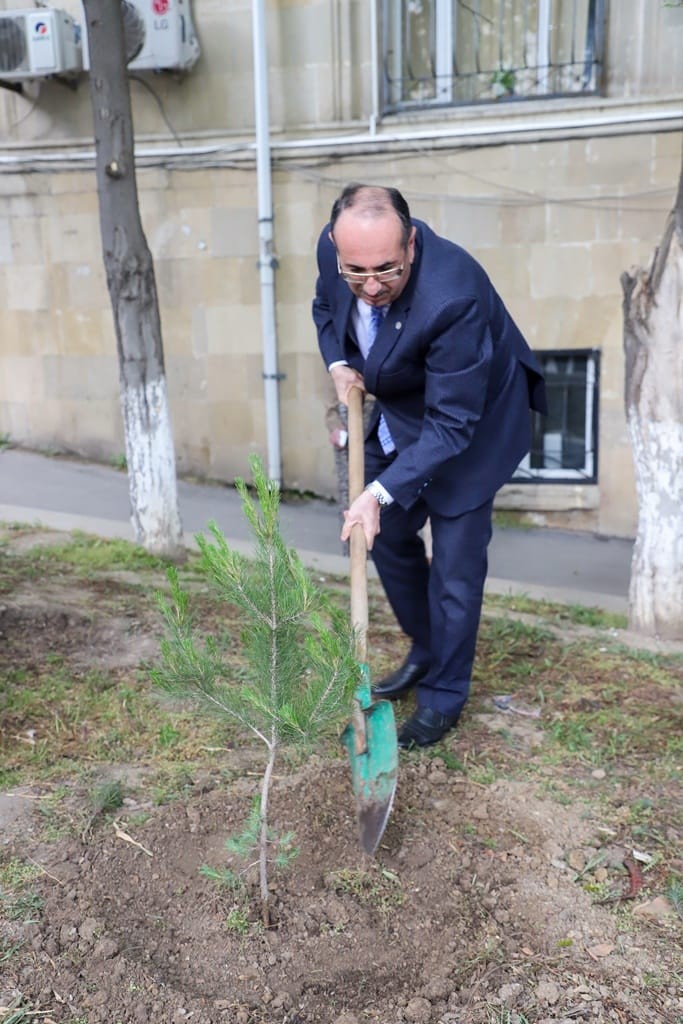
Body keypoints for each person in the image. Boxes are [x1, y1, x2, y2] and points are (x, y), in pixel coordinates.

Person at [312, 183, 546, 749]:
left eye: (386, 271)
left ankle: (444, 694)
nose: (370, 287)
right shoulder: (337, 251)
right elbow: (325, 306)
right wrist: (340, 363)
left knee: (455, 573)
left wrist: (377, 490)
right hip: (404, 410)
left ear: (411, 245)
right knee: (382, 534)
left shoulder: (452, 296)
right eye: (356, 272)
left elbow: (452, 425)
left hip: (475, 423)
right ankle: (426, 646)